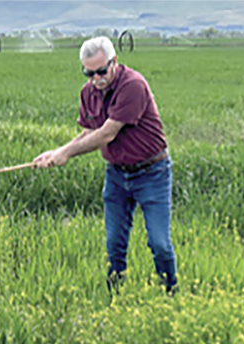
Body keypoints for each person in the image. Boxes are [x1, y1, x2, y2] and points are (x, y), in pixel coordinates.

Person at [33, 36, 178, 296]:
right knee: (114, 244)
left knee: (160, 243)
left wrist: (66, 154)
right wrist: (55, 152)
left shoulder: (133, 85)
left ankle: (170, 292)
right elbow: (89, 131)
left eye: (101, 71)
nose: (96, 78)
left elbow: (107, 134)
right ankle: (115, 294)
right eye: (89, 72)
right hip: (117, 175)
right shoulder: (88, 92)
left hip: (152, 173)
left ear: (115, 62)